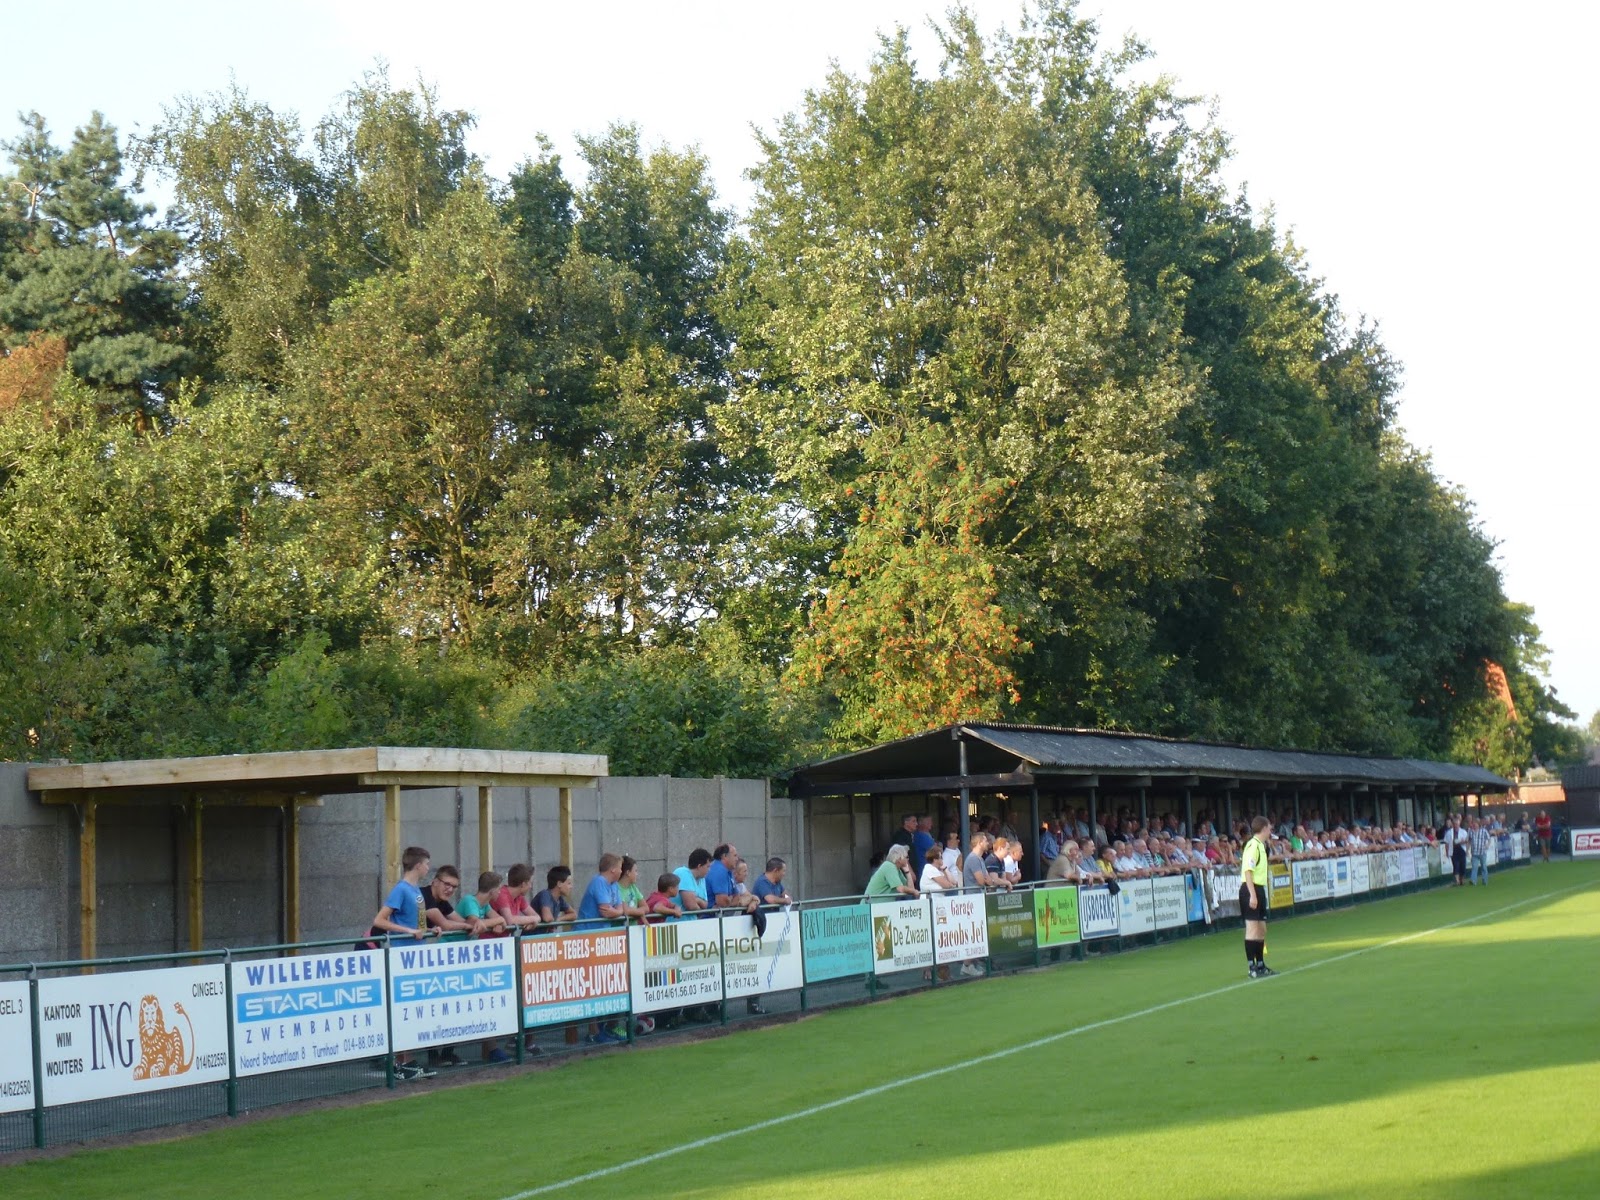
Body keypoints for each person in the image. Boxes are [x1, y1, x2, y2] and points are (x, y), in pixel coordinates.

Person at [368, 846, 437, 1080]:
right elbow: (380, 920)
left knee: (412, 1010)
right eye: (427, 863)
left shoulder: (415, 891)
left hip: (415, 955)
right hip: (402, 956)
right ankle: (398, 1063)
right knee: (401, 1009)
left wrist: (429, 930)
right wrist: (408, 931)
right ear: (418, 865)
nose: (428, 868)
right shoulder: (401, 889)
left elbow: (415, 924)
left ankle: (408, 1060)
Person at [1240, 817, 1275, 979]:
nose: (1270, 830)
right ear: (1263, 828)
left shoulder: (1261, 845)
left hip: (1258, 888)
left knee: (1261, 929)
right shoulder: (1253, 845)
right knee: (1252, 929)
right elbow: (1248, 870)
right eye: (1269, 827)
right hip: (1250, 889)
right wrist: (1252, 894)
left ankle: (1260, 964)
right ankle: (1251, 967)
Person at [577, 853, 627, 925]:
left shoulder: (615, 884)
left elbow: (620, 908)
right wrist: (619, 912)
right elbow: (606, 912)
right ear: (613, 869)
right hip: (588, 931)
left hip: (603, 931)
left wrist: (618, 912)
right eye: (620, 868)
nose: (621, 871)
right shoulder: (599, 881)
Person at [493, 863, 542, 930]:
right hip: (489, 939)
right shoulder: (501, 894)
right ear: (523, 884)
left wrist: (532, 920)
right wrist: (532, 920)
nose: (531, 887)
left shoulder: (519, 897)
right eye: (530, 883)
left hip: (505, 939)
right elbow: (510, 920)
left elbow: (537, 916)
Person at [617, 856, 651, 921]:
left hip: (633, 928)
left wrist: (635, 912)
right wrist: (640, 912)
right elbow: (625, 910)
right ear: (628, 873)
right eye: (635, 871)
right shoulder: (616, 888)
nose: (637, 874)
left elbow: (646, 908)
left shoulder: (633, 887)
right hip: (620, 929)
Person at [1443, 814, 1469, 886]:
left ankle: (1462, 879)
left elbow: (1467, 841)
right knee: (1456, 865)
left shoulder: (1463, 832)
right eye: (1454, 824)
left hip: (1461, 850)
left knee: (1463, 866)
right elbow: (1446, 843)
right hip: (1454, 850)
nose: (1456, 825)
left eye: (1457, 824)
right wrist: (1447, 852)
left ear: (1459, 824)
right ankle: (1457, 880)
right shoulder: (1449, 832)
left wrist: (1466, 849)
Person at [1468, 817, 1491, 887]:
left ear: (1478, 824)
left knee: (1483, 867)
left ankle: (1485, 880)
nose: (1474, 825)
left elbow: (1489, 839)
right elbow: (1468, 841)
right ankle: (1473, 880)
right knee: (1474, 867)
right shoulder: (1470, 832)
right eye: (1473, 824)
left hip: (1482, 852)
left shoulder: (1483, 831)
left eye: (1475, 824)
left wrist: (1487, 845)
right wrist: (1467, 850)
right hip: (1474, 852)